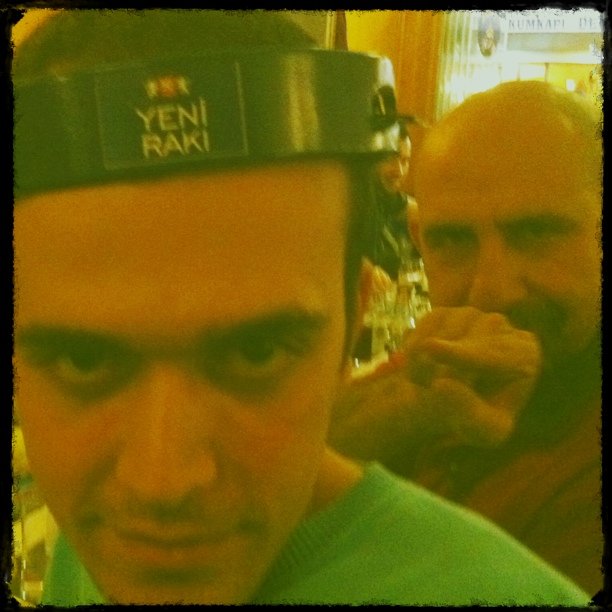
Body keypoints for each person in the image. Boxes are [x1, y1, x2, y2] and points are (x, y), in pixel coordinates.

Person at [12, 10, 590, 606]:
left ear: (355, 320)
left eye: (256, 353)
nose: (163, 485)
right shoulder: (90, 546)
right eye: (83, 362)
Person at [330, 80, 603, 595]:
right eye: (453, 240)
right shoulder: (442, 372)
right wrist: (415, 403)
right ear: (419, 240)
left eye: (537, 232)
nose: (492, 290)